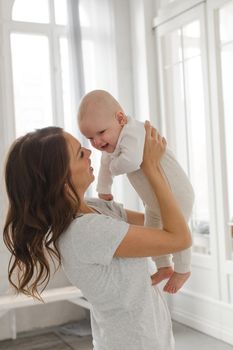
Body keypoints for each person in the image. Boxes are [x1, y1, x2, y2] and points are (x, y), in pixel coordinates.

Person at [3, 122, 191, 350]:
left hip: (150, 338)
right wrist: (151, 168)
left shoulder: (97, 208)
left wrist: (150, 164)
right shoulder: (85, 231)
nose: (90, 152)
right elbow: (178, 238)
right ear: (62, 179)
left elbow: (161, 220)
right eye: (80, 154)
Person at [78, 90, 195, 293]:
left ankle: (183, 269)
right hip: (154, 201)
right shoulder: (112, 146)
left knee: (177, 230)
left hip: (176, 194)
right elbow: (106, 164)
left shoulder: (133, 132)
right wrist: (103, 190)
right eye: (90, 138)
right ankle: (164, 266)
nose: (96, 142)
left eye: (101, 133)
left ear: (121, 118)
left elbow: (131, 162)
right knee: (153, 229)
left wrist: (113, 166)